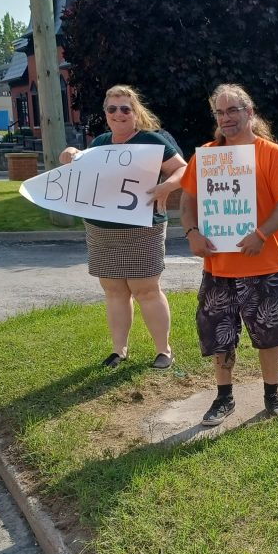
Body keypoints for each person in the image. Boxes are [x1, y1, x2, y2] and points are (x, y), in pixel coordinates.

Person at [178, 84, 278, 426]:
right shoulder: (207, 156)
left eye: (232, 110)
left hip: (265, 264)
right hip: (218, 266)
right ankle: (224, 397)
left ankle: (272, 394)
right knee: (220, 335)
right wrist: (192, 233)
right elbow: (187, 200)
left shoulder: (273, 155)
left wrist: (261, 235)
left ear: (250, 112)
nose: (226, 118)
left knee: (270, 334)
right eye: (220, 112)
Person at [59, 85, 187, 370]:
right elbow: (79, 169)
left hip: (143, 229)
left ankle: (164, 351)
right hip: (101, 230)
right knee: (114, 291)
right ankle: (119, 350)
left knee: (146, 290)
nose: (118, 114)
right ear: (106, 113)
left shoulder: (151, 140)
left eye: (125, 109)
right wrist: (70, 153)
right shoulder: (100, 143)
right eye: (112, 109)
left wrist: (167, 186)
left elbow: (183, 168)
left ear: (135, 112)